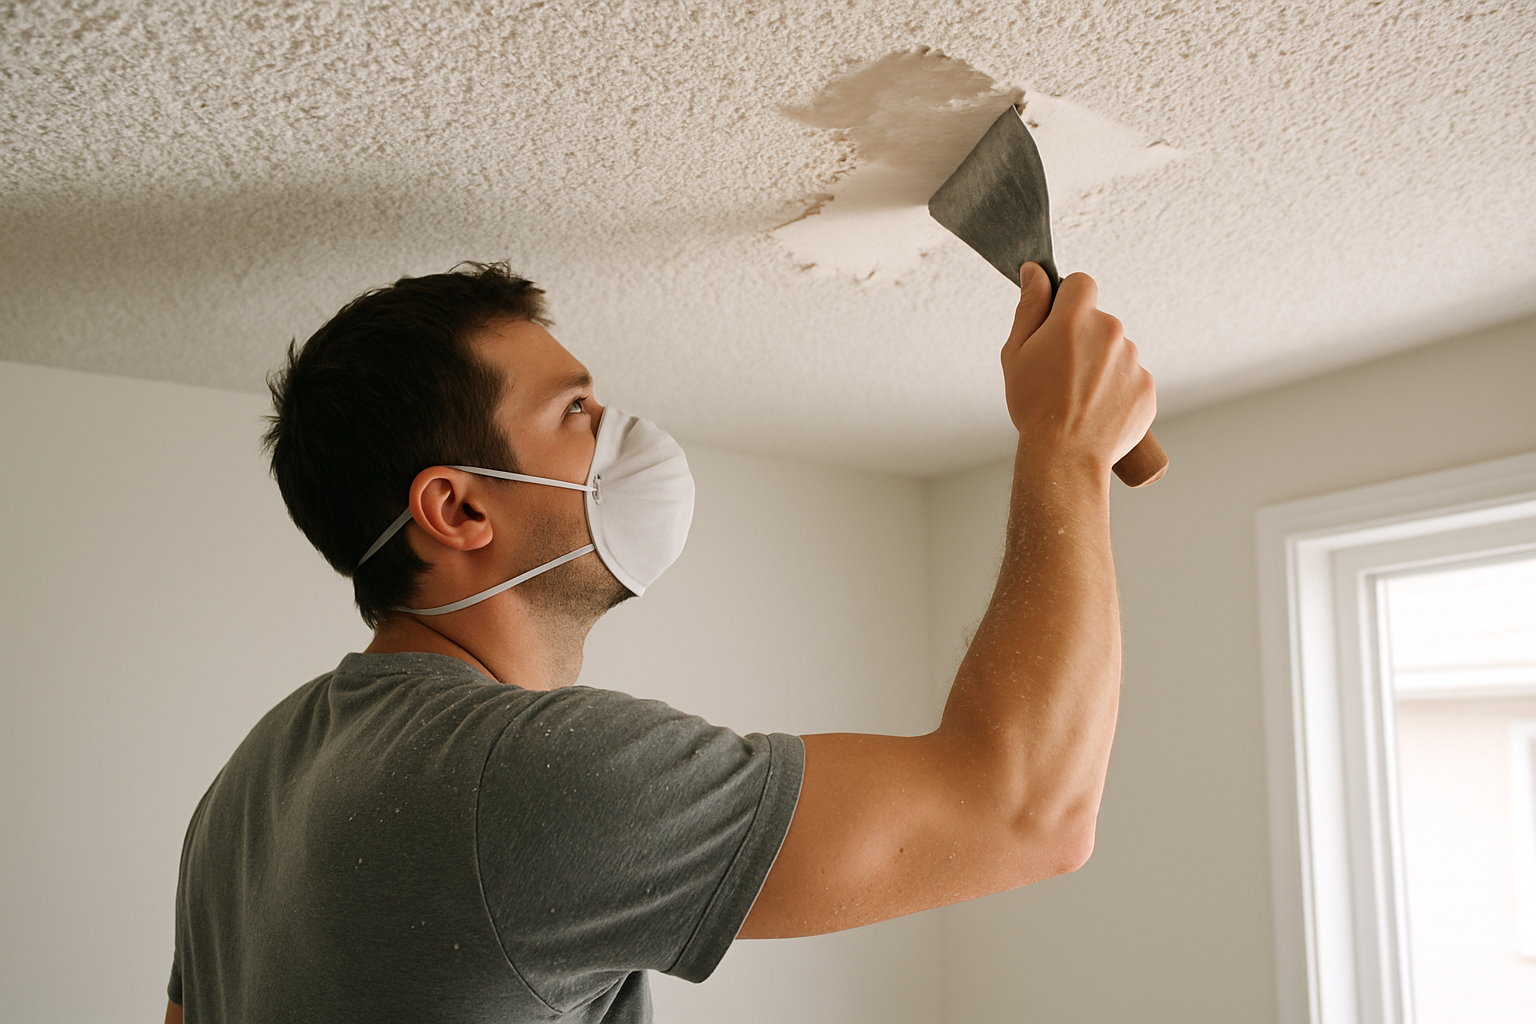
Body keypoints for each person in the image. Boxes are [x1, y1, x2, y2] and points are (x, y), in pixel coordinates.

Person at [166, 259, 1155, 1023]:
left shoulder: (249, 786)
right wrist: (1064, 444)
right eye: (578, 411)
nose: (621, 435)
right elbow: (1024, 811)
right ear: (459, 507)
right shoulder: (521, 775)